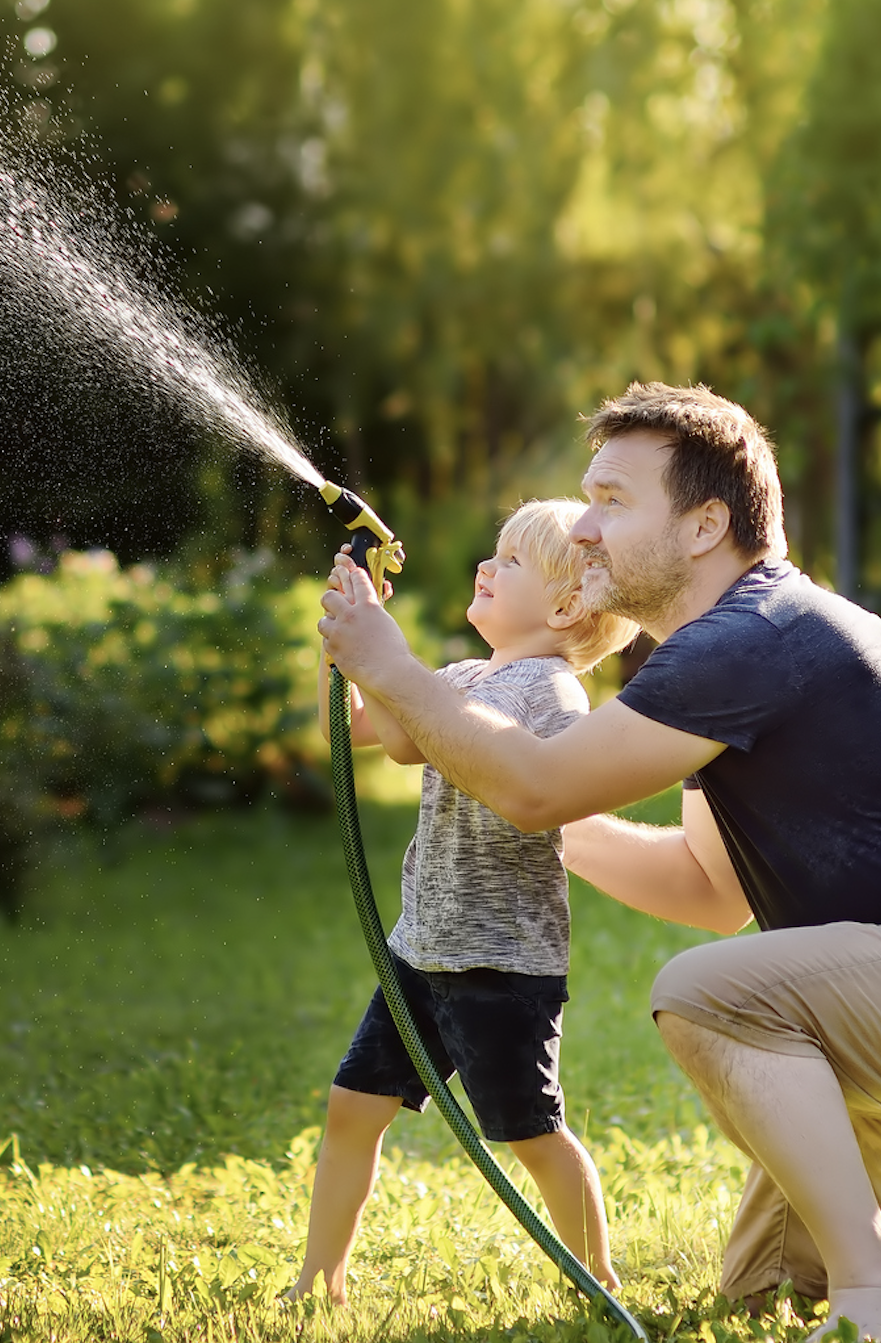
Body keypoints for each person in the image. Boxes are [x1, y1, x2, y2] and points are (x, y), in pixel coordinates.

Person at [318, 383, 881, 1342]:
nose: (584, 528)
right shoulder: (721, 653)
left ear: (704, 524)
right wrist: (542, 825)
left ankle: (875, 1300)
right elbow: (708, 891)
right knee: (767, 1284)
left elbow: (539, 787)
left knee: (704, 992)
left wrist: (392, 670)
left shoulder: (747, 639)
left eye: (613, 502)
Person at [288, 499, 639, 1306]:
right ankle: (320, 1279)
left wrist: (392, 663)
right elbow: (368, 730)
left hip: (501, 963)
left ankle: (598, 1280)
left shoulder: (552, 694)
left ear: (563, 609)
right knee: (352, 1106)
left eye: (510, 562)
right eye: (494, 554)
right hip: (422, 948)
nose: (486, 568)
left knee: (531, 1132)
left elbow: (517, 770)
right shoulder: (455, 679)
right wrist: (345, 642)